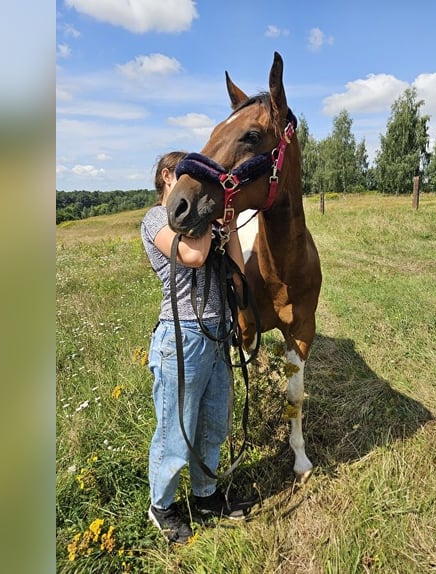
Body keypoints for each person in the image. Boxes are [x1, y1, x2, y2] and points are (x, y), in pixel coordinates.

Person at [141, 151, 249, 545]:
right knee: (176, 428)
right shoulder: (155, 220)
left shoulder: (202, 226)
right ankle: (162, 506)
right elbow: (194, 255)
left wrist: (231, 227)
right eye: (187, 177)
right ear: (168, 176)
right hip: (181, 337)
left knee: (214, 422)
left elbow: (237, 273)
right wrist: (207, 221)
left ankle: (205, 495)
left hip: (217, 333)